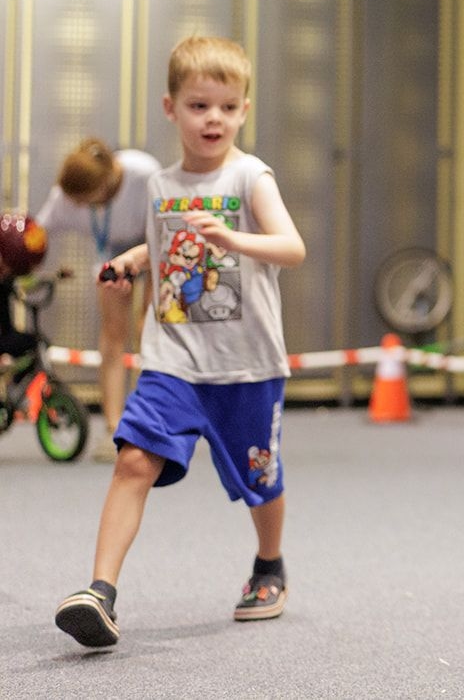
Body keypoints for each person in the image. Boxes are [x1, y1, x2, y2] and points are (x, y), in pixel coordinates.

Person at [54, 35, 306, 648]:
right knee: (133, 460)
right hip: (173, 358)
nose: (212, 118)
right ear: (171, 109)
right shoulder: (161, 185)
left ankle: (269, 564)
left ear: (244, 110)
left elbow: (291, 248)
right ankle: (101, 592)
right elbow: (170, 243)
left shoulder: (251, 176)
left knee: (259, 479)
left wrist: (233, 239)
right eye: (198, 106)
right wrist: (137, 260)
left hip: (246, 365)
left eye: (226, 106)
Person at [34, 138, 162, 462]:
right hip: (112, 256)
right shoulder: (67, 196)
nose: (78, 207)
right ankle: (114, 427)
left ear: (106, 184)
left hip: (156, 249)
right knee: (112, 335)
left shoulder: (145, 174)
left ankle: (152, 423)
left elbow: (169, 228)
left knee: (149, 328)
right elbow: (37, 236)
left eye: (85, 201)